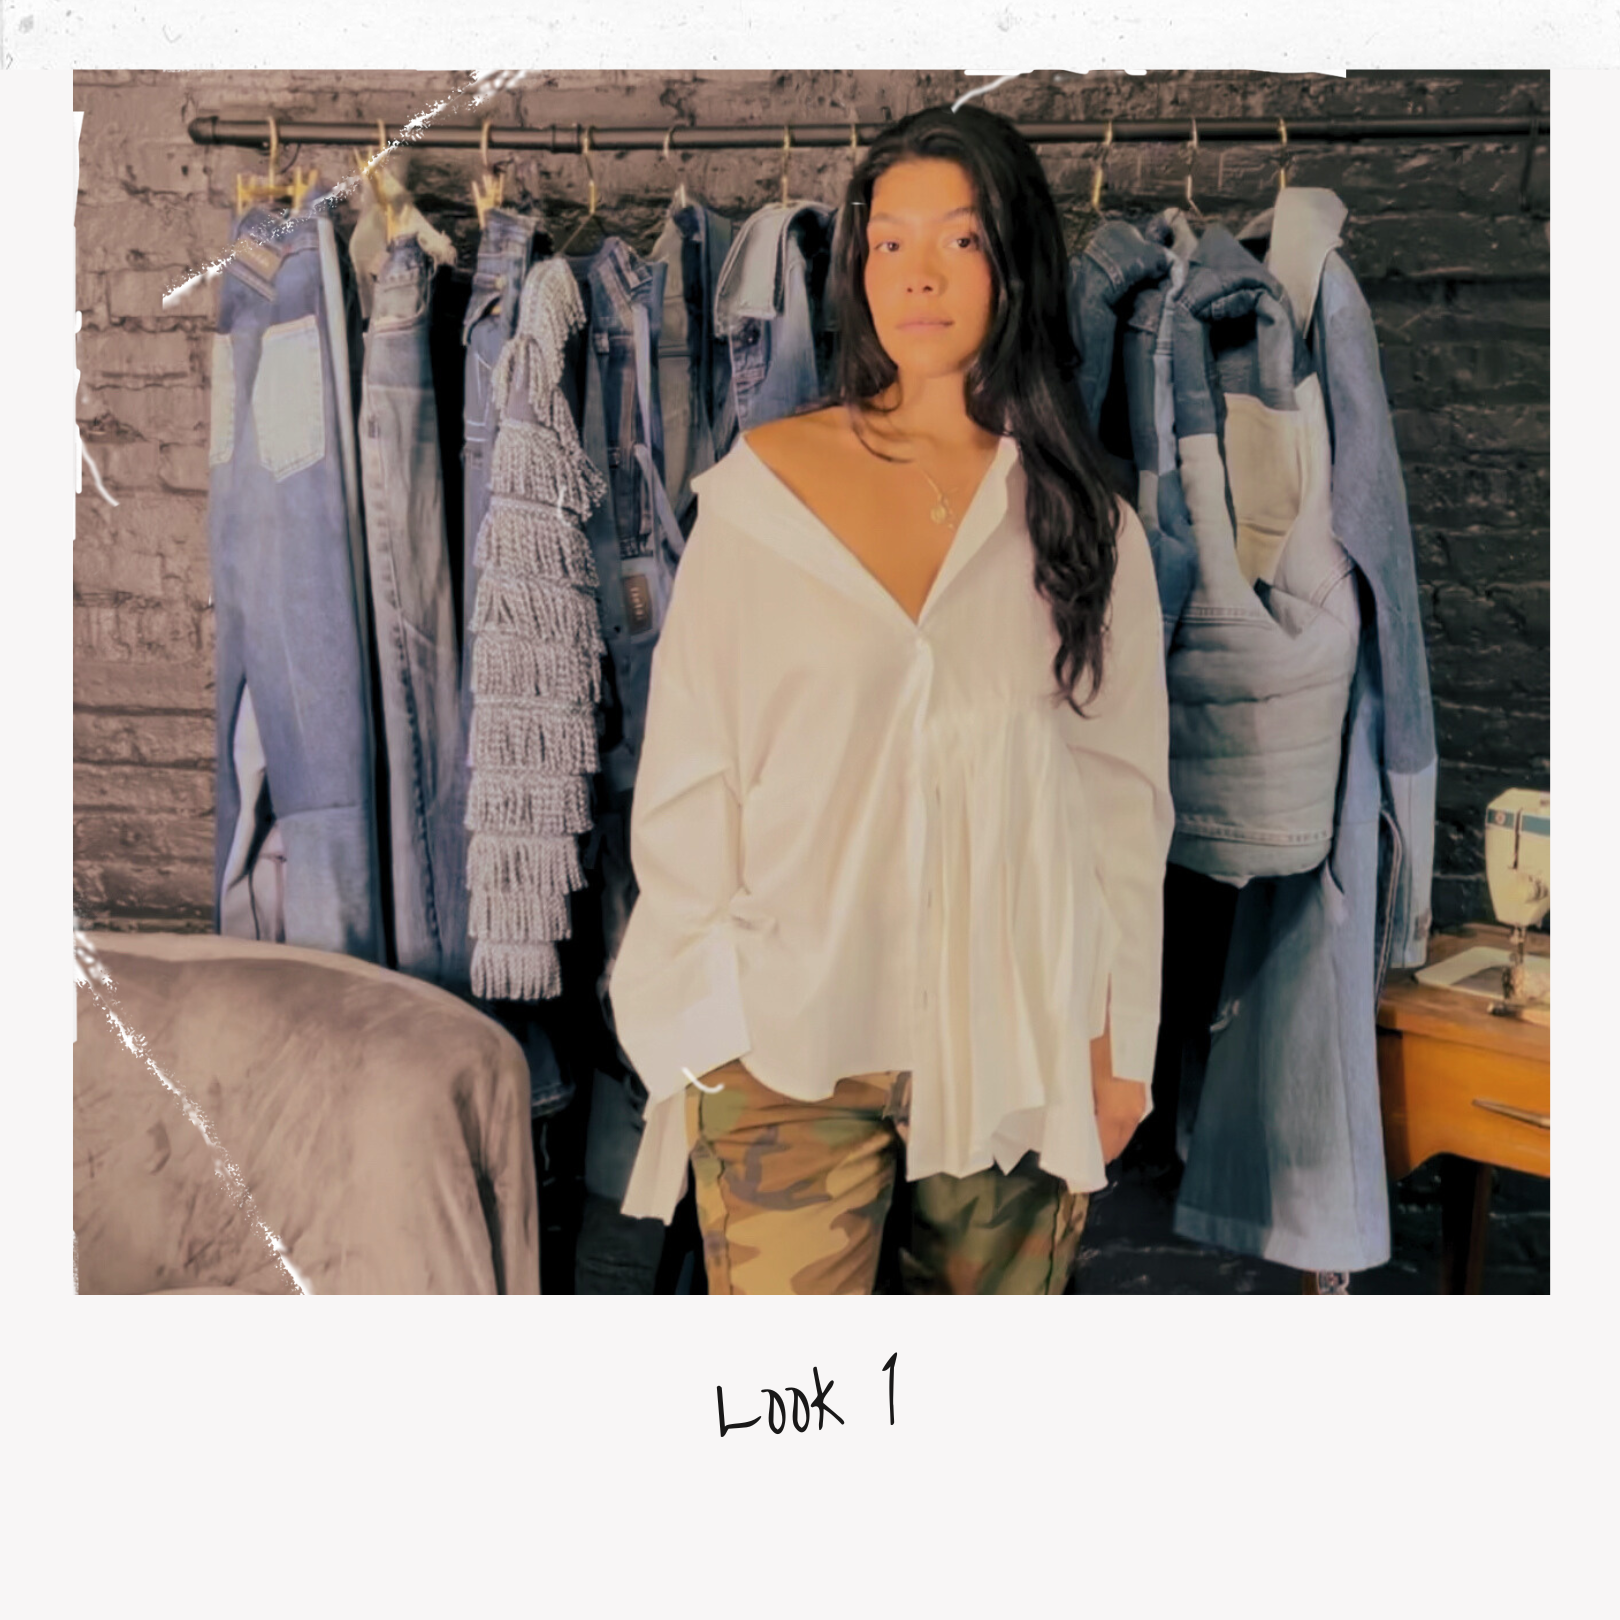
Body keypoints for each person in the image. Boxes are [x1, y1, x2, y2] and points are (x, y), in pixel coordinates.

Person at [606, 104, 1173, 1294]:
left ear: (1015, 263)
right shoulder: (764, 493)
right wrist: (699, 1027)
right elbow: (692, 774)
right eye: (889, 242)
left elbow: (1123, 808)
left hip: (1017, 1044)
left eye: (959, 240)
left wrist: (1119, 1045)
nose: (918, 275)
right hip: (786, 1050)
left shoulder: (1086, 526)